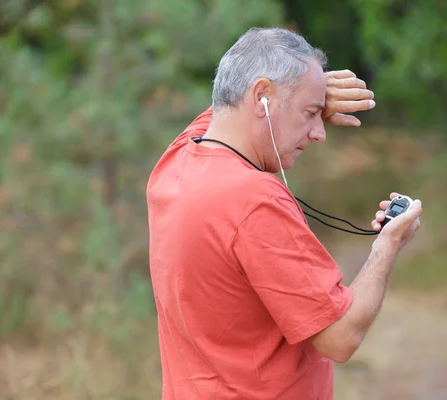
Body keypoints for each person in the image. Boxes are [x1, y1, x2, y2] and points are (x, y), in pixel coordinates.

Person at [146, 27, 422, 399]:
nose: (319, 132)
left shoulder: (176, 161)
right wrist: (388, 244)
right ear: (261, 97)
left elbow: (227, 102)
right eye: (311, 114)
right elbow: (341, 337)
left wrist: (308, 88)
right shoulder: (253, 200)